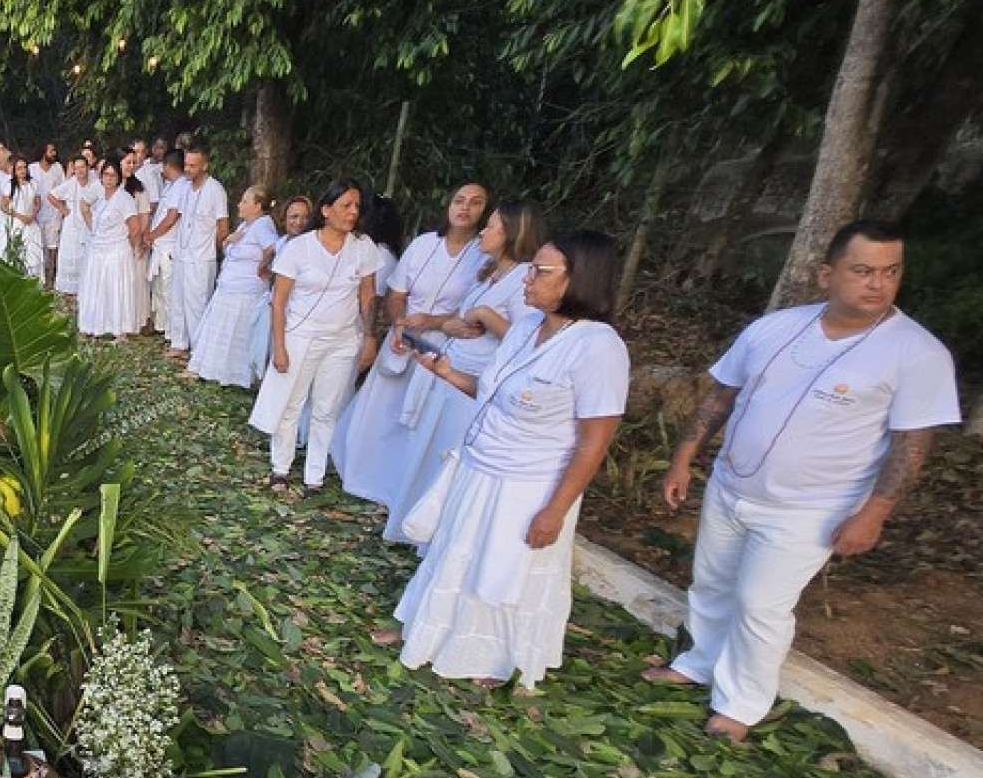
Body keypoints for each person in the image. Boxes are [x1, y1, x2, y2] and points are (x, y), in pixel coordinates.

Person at [645, 221, 960, 742]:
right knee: (713, 583)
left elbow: (912, 444)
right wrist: (683, 458)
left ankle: (740, 704)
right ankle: (698, 663)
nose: (878, 283)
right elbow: (720, 396)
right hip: (731, 485)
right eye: (862, 271)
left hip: (812, 508)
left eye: (890, 271)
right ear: (825, 275)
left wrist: (875, 511)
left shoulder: (916, 352)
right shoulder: (776, 327)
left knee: (761, 604)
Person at [374, 232, 630, 690]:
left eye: (541, 272)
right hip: (480, 465)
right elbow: (494, 392)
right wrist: (447, 372)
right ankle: (423, 631)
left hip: (529, 484)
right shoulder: (529, 327)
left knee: (504, 573)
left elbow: (594, 441)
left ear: (579, 280)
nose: (528, 279)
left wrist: (555, 510)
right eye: (531, 268)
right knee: (453, 553)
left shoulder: (598, 347)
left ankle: (488, 658)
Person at [382, 201, 545, 542]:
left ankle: (438, 536)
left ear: (511, 233)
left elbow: (525, 337)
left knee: (448, 458)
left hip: (472, 381)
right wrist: (452, 324)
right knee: (427, 451)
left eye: (492, 226)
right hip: (449, 366)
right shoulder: (489, 272)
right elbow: (461, 316)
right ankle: (412, 525)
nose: (483, 231)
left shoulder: (521, 278)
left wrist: (485, 315)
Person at [331, 183, 491, 507]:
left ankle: (394, 489)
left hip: (443, 343)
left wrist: (431, 322)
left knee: (414, 419)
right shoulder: (423, 244)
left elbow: (472, 309)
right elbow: (396, 292)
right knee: (380, 410)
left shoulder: (482, 255)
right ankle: (360, 475)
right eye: (459, 200)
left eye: (475, 203)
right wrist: (401, 323)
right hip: (402, 336)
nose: (465, 207)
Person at [247, 180, 378, 490]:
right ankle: (281, 467)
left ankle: (314, 476)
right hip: (300, 335)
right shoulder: (299, 247)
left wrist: (370, 337)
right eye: (346, 205)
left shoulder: (363, 247)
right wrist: (279, 347)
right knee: (291, 402)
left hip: (343, 339)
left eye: (357, 206)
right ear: (326, 209)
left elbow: (368, 296)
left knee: (327, 408)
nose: (352, 211)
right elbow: (278, 302)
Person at [186, 186, 278, 386]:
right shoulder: (245, 225)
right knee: (222, 329)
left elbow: (273, 247)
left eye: (245, 201)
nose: (240, 204)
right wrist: (229, 240)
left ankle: (237, 375)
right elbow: (229, 246)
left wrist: (263, 265)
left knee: (238, 332)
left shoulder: (263, 225)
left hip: (245, 290)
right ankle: (215, 370)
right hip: (230, 287)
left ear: (257, 206)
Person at [148, 148, 229, 361]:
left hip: (202, 258)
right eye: (186, 165)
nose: (188, 169)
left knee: (197, 304)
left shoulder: (215, 190)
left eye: (193, 166)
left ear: (205, 166)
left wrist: (215, 250)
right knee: (178, 300)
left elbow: (223, 227)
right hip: (182, 253)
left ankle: (198, 350)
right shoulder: (184, 188)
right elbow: (178, 217)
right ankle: (179, 343)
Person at [77, 160, 147, 338]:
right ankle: (96, 325)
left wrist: (133, 247)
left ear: (118, 178)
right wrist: (92, 227)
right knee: (97, 287)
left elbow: (135, 227)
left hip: (117, 250)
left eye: (113, 175)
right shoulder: (99, 195)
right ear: (101, 177)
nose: (109, 179)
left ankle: (119, 329)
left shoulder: (125, 198)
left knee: (115, 289)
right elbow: (83, 206)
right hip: (98, 248)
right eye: (106, 175)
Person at [143, 152, 185, 342]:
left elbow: (171, 218)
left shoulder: (182, 186)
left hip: (170, 246)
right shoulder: (170, 186)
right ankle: (160, 325)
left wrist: (152, 234)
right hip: (161, 245)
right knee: (158, 287)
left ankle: (172, 331)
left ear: (168, 165)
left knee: (169, 289)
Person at [51, 157, 93, 296]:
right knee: (70, 253)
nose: (80, 170)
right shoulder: (70, 184)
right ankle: (68, 289)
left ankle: (86, 285)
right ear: (73, 170)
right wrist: (63, 210)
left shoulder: (95, 183)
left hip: (88, 224)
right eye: (77, 168)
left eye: (82, 167)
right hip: (71, 225)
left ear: (88, 167)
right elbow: (51, 196)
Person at [2, 157, 46, 280]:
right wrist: (19, 216)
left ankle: (35, 279)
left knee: (33, 251)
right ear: (15, 171)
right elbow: (3, 206)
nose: (22, 171)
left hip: (31, 221)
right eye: (19, 168)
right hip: (17, 222)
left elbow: (38, 202)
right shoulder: (9, 185)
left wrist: (33, 215)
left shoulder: (33, 183)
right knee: (19, 251)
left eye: (24, 167)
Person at [34, 144, 67, 276]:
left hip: (54, 212)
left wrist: (63, 209)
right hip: (37, 212)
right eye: (51, 151)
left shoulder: (58, 168)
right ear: (43, 153)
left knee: (53, 244)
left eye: (54, 150)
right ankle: (40, 272)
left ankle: (52, 272)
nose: (54, 153)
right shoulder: (32, 168)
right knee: (39, 243)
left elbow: (64, 188)